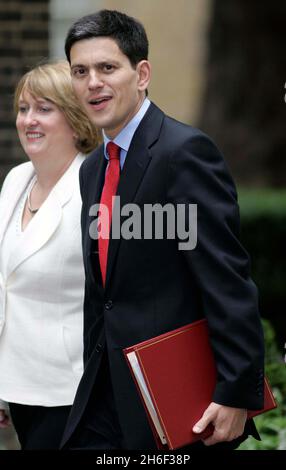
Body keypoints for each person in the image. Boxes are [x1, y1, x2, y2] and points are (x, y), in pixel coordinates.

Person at [61, 10, 265, 450]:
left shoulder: (184, 152)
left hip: (177, 405)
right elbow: (103, 291)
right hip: (106, 392)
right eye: (80, 71)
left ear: (142, 74)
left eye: (107, 67)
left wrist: (235, 392)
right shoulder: (93, 169)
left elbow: (225, 278)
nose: (92, 82)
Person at [0, 61, 98, 449]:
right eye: (23, 109)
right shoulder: (16, 179)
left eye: (44, 109)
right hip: (18, 384)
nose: (28, 121)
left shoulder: (95, 187)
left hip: (71, 392)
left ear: (75, 119)